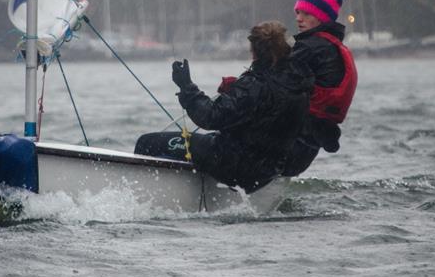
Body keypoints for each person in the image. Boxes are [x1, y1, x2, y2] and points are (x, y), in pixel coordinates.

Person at [134, 21, 313, 193]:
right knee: (206, 141)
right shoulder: (300, 85)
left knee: (146, 143)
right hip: (268, 170)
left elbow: (210, 117)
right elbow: (264, 117)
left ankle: (150, 199)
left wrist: (186, 86)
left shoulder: (253, 85)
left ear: (255, 51)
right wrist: (235, 90)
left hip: (234, 166)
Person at [281, 0, 358, 177]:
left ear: (322, 17)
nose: (299, 18)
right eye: (297, 12)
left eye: (306, 14)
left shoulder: (310, 48)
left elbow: (270, 84)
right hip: (304, 151)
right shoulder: (330, 46)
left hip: (287, 146)